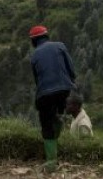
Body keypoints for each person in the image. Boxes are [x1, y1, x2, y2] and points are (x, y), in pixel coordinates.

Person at [29, 25, 75, 172]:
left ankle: (51, 163)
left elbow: (37, 80)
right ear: (47, 36)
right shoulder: (60, 46)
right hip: (64, 89)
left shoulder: (34, 56)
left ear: (33, 41)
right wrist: (69, 83)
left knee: (46, 125)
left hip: (45, 93)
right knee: (58, 114)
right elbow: (71, 69)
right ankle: (59, 120)